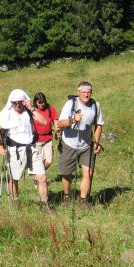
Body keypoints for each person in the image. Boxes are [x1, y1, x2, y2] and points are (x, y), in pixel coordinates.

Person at [0, 89, 51, 212]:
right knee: (14, 179)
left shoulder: (29, 111)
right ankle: (15, 202)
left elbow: (44, 121)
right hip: (15, 149)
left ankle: (44, 205)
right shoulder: (7, 113)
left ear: (24, 101)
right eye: (14, 102)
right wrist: (0, 147)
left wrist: (31, 108)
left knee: (42, 177)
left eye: (20, 101)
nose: (17, 104)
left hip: (32, 147)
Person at [56, 81, 104, 209]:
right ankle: (67, 195)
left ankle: (83, 200)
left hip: (86, 145)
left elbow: (99, 124)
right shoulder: (71, 104)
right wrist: (73, 120)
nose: (86, 95)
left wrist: (97, 142)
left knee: (88, 172)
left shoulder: (95, 106)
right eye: (83, 92)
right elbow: (59, 124)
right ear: (78, 93)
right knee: (67, 173)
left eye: (88, 92)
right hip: (69, 143)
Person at [33, 92, 59, 170]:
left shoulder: (50, 108)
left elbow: (55, 121)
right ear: (35, 102)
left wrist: (58, 130)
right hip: (36, 140)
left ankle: (40, 176)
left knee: (48, 161)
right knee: (39, 161)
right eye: (39, 102)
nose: (42, 104)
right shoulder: (33, 111)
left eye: (43, 101)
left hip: (48, 139)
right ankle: (40, 179)